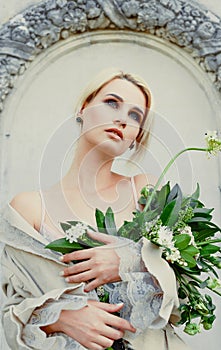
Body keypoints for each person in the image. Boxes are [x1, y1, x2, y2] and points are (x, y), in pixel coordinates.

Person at [0, 69, 191, 350]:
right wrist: (58, 317)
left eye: (135, 116)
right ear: (83, 108)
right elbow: (14, 314)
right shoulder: (28, 208)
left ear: (136, 138)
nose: (122, 119)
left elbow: (188, 289)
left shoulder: (146, 192)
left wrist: (129, 261)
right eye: (112, 102)